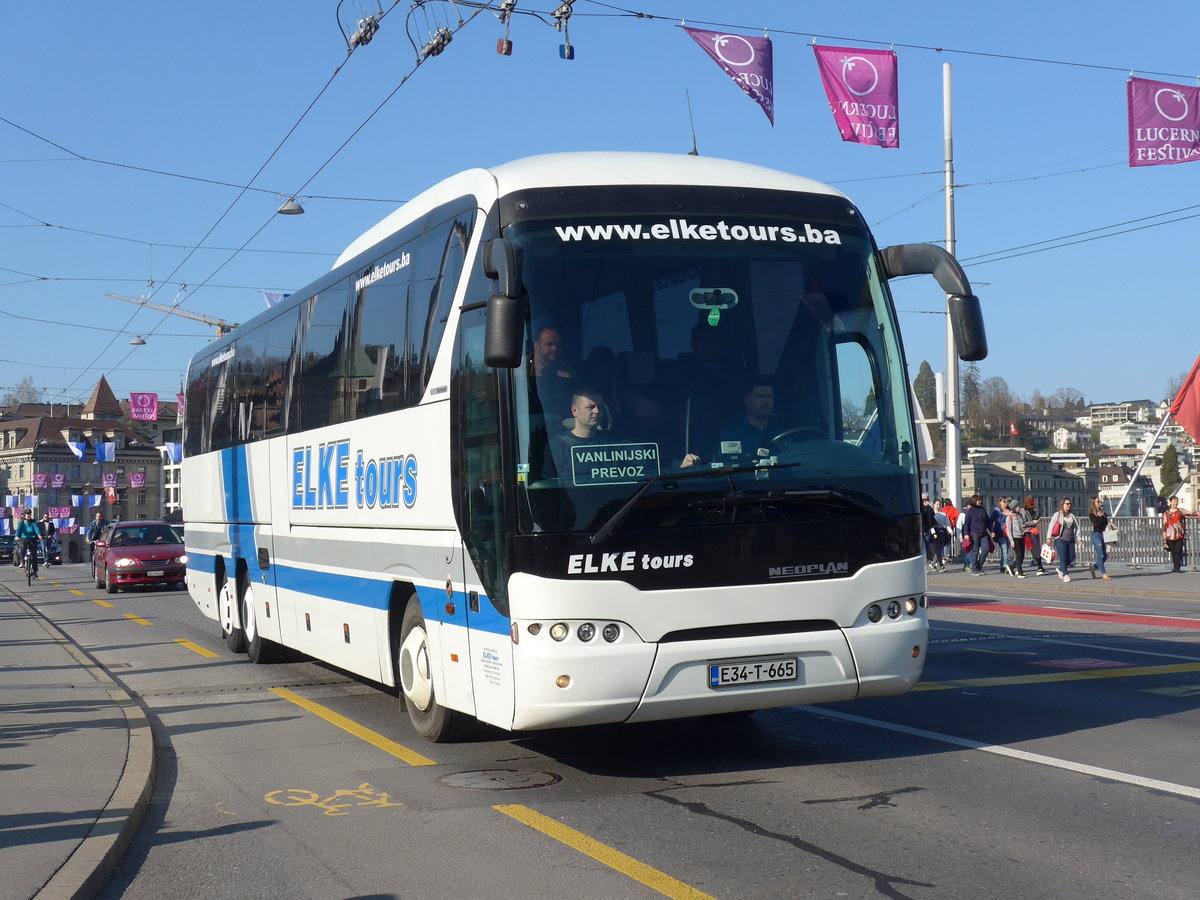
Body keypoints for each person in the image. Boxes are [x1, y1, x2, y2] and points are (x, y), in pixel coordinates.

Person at [718, 382, 776, 457]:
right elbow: (725, 465)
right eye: (760, 396)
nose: (766, 401)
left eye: (769, 396)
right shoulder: (731, 434)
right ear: (747, 401)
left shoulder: (781, 434)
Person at [1047, 497, 1079, 582]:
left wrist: (1079, 538)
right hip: (1060, 539)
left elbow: (1077, 527)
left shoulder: (1072, 515)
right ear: (1062, 505)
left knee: (1071, 557)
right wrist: (1048, 537)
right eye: (1067, 504)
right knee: (1063, 557)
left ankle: (1061, 569)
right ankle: (1066, 575)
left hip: (1071, 540)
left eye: (1070, 504)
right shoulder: (1058, 515)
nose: (1069, 505)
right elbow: (1051, 525)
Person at [961, 494, 990, 576]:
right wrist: (966, 534)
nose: (979, 501)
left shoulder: (982, 510)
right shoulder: (970, 510)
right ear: (974, 501)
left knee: (986, 549)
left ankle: (979, 565)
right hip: (974, 533)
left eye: (980, 500)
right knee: (975, 551)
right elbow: (966, 523)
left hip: (983, 533)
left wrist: (992, 531)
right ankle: (974, 569)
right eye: (977, 500)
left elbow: (988, 521)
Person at [1021, 497, 1047, 575]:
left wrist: (1036, 520)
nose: (1034, 506)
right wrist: (1033, 522)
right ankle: (1014, 567)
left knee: (1037, 549)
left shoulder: (1032, 510)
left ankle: (1040, 567)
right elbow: (1024, 523)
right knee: (1034, 549)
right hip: (1028, 532)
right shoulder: (1023, 511)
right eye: (1032, 504)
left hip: (1034, 531)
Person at [1162, 495, 1188, 573]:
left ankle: (1177, 567)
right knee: (1173, 552)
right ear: (1170, 502)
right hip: (1169, 535)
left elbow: (1190, 512)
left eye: (1177, 501)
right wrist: (1164, 536)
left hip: (1179, 534)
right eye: (1174, 501)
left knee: (1178, 551)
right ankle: (1175, 567)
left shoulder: (1180, 511)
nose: (1175, 503)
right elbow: (1164, 525)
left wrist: (1197, 514)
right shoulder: (1166, 513)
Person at [1088, 497, 1112, 580]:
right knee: (1100, 555)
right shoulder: (1091, 515)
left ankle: (1094, 567)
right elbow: (1096, 524)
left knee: (1105, 556)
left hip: (1104, 535)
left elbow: (1105, 525)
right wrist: (1100, 517)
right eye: (1098, 502)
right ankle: (1104, 574)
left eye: (1100, 502)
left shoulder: (1104, 514)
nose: (1100, 504)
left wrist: (1102, 517)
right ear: (1094, 504)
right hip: (1096, 535)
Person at [1005, 497, 1027, 578]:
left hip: (1021, 536)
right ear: (1014, 508)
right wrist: (1012, 541)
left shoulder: (1020, 515)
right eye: (1018, 507)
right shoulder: (1009, 517)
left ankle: (1012, 567)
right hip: (1015, 537)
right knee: (1018, 554)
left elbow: (1023, 524)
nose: (1019, 508)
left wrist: (1024, 527)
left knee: (1022, 555)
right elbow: (1009, 530)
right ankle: (1020, 571)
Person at [16, 509, 42, 578]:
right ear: (24, 515)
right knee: (22, 549)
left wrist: (39, 535)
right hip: (23, 539)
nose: (29, 515)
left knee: (34, 556)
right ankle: (22, 562)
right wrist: (17, 536)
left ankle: (35, 571)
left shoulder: (33, 522)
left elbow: (36, 529)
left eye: (30, 514)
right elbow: (19, 530)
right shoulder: (22, 522)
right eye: (27, 514)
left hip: (32, 539)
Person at [990, 497, 1012, 575]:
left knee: (1006, 550)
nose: (1005, 503)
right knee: (1004, 548)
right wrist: (992, 531)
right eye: (1004, 501)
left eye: (1006, 501)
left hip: (1008, 533)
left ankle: (1002, 566)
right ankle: (1006, 566)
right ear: (1000, 502)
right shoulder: (997, 511)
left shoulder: (1010, 510)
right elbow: (990, 521)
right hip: (999, 533)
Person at [932, 500, 951, 571]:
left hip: (942, 533)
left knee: (939, 549)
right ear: (933, 505)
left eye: (939, 504)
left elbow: (947, 523)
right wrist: (933, 533)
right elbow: (931, 525)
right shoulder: (932, 514)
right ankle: (941, 566)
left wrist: (950, 531)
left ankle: (933, 563)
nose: (938, 506)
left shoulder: (943, 514)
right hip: (934, 533)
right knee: (938, 549)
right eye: (937, 504)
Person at [921, 496, 938, 571]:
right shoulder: (924, 509)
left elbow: (932, 520)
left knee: (928, 548)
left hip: (927, 530)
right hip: (924, 530)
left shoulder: (929, 509)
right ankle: (926, 565)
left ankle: (930, 562)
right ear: (924, 501)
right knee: (925, 548)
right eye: (927, 500)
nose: (928, 502)